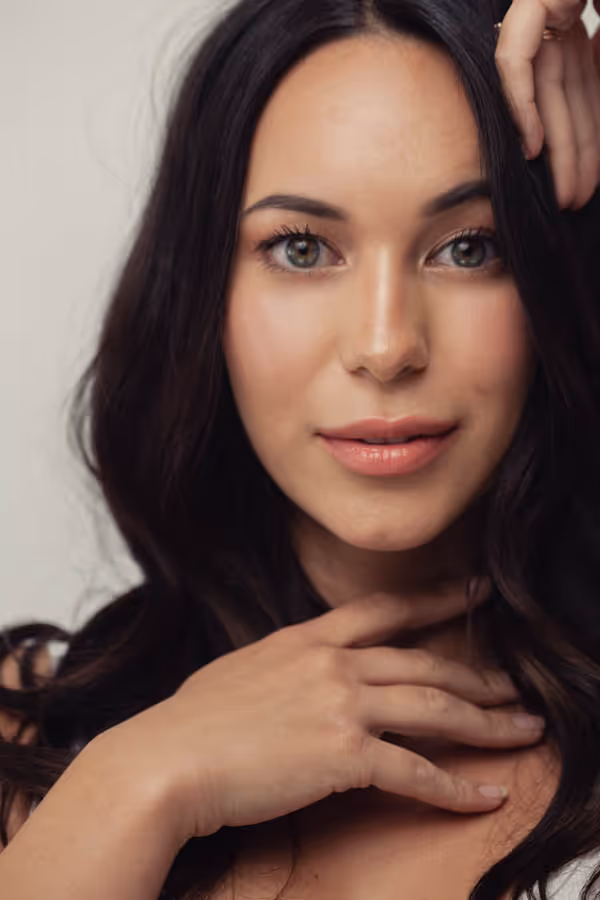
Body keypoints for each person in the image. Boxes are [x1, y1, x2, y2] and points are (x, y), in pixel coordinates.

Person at [0, 0, 599, 897]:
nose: (388, 345)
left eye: (470, 247)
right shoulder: (34, 729)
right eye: (303, 247)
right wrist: (131, 790)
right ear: (203, 291)